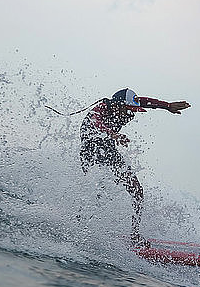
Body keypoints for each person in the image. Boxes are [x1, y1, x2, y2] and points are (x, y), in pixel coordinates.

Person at [79, 88, 190, 246]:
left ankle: (134, 235)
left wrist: (167, 106)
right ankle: (81, 225)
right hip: (90, 148)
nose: (131, 115)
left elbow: (144, 101)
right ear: (118, 105)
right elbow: (95, 122)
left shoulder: (122, 106)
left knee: (137, 190)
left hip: (108, 147)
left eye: (134, 111)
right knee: (92, 189)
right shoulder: (102, 109)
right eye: (129, 111)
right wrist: (114, 134)